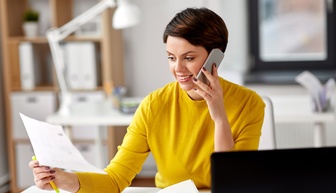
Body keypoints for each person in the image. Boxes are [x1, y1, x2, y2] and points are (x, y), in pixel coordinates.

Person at [29, 7, 265, 193]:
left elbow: (232, 183)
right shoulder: (154, 105)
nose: (178, 68)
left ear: (216, 57)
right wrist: (65, 180)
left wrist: (219, 117)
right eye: (171, 57)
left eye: (189, 57)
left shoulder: (249, 104)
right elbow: (115, 179)